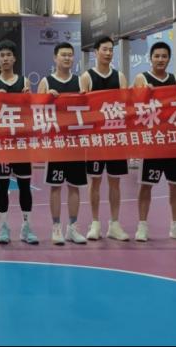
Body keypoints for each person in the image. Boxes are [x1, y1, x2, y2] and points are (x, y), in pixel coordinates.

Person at [133, 42, 176, 243]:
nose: (160, 59)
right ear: (150, 58)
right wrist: (144, 94)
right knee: (146, 185)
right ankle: (142, 225)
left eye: (164, 56)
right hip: (152, 142)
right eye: (157, 56)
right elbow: (133, 107)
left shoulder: (175, 79)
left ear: (169, 59)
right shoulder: (142, 78)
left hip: (172, 141)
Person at [0, 40, 38, 245]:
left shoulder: (24, 82)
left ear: (14, 58)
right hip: (2, 143)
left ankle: (27, 226)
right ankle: (3, 227)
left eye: (9, 55)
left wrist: (29, 99)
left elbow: (30, 112)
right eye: (2, 55)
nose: (5, 58)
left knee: (25, 186)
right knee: (2, 186)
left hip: (21, 141)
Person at [79, 36, 130, 241]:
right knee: (95, 181)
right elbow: (81, 108)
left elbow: (127, 106)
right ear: (96, 52)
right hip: (95, 139)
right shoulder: (86, 77)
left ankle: (114, 224)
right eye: (105, 50)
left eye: (111, 50)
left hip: (115, 138)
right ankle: (95, 223)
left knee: (115, 182)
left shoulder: (120, 77)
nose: (108, 53)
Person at [37, 42, 88, 245]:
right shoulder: (46, 82)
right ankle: (56, 227)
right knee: (56, 186)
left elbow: (89, 110)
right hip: (56, 143)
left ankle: (73, 228)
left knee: (75, 186)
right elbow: (36, 111)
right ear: (55, 58)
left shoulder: (80, 82)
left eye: (70, 55)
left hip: (75, 143)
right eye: (63, 55)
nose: (67, 58)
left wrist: (85, 99)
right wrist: (47, 99)